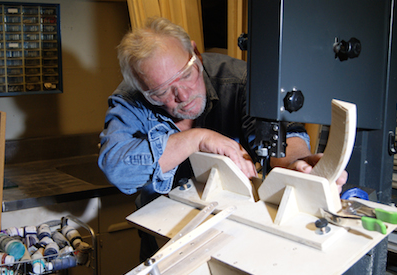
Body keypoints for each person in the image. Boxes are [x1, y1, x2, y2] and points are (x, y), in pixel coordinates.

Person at [99, 17, 346, 210]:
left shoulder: (238, 80)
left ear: (195, 55)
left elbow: (282, 136)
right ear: (143, 91)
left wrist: (297, 165)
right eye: (162, 92)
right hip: (163, 235)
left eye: (186, 75)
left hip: (235, 225)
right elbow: (118, 170)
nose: (183, 96)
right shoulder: (131, 100)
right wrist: (197, 138)